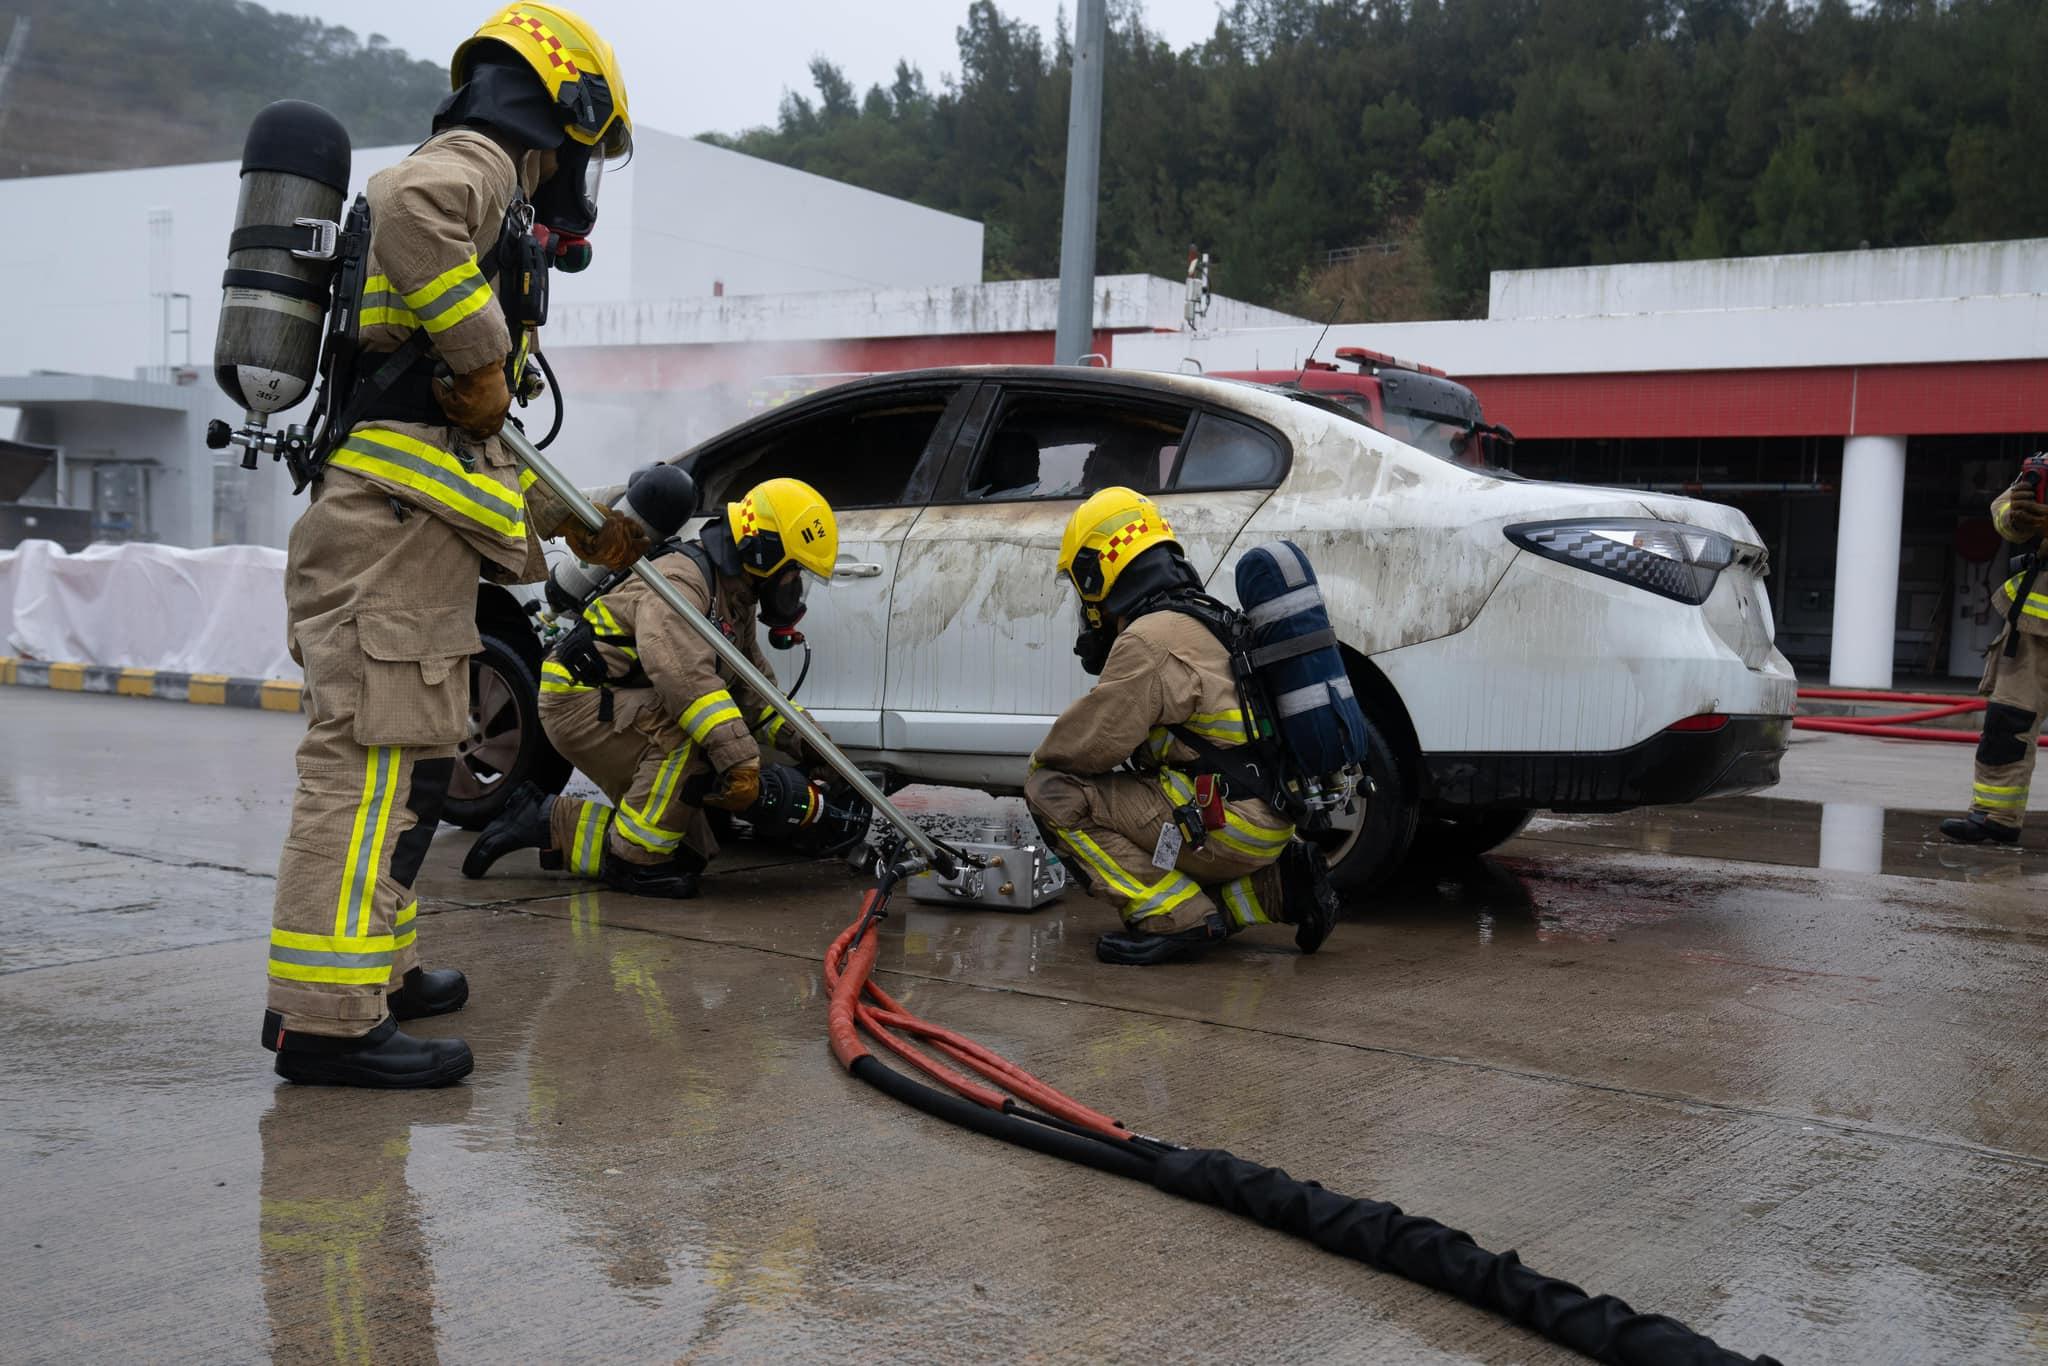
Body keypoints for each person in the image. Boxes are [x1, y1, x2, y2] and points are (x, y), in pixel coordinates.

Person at [262, 5, 643, 1089]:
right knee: (367, 768)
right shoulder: (468, 165)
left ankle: (371, 972)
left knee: (414, 769)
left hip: (405, 538)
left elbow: (457, 438)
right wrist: (484, 350)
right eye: (585, 143)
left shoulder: (492, 200)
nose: (579, 172)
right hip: (381, 543)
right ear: (560, 107)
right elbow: (406, 208)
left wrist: (565, 519)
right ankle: (326, 1021)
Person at [462, 478, 842, 897]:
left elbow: (753, 692)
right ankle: (632, 864)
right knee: (690, 736)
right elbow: (683, 678)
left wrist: (815, 748)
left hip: (614, 700)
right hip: (578, 699)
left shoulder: (732, 596)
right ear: (764, 551)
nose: (795, 590)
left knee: (685, 852)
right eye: (794, 574)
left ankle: (543, 820)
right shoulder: (682, 582)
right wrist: (740, 762)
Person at [1024, 487, 1338, 965]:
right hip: (1271, 822)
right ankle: (1278, 888)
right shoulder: (1206, 616)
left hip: (1225, 823)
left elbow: (1086, 749)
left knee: (1052, 790)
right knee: (1146, 797)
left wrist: (1041, 760)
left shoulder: (1149, 640)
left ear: (1096, 572)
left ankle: (1174, 917)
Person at [1941, 455, 2048, 845]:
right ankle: (1996, 817)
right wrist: (2015, 516)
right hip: (2034, 626)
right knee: (2007, 722)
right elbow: (2002, 508)